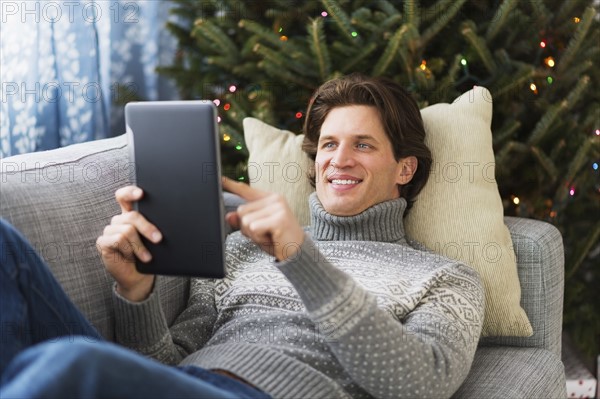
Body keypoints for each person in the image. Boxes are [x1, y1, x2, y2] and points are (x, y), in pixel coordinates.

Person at [0, 74, 484, 398]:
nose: (339, 159)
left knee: (70, 364)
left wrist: (301, 258)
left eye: (363, 145)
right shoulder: (240, 248)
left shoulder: (446, 278)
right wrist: (136, 289)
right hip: (189, 384)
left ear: (404, 167)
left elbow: (420, 384)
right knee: (5, 247)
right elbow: (169, 363)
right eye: (329, 145)